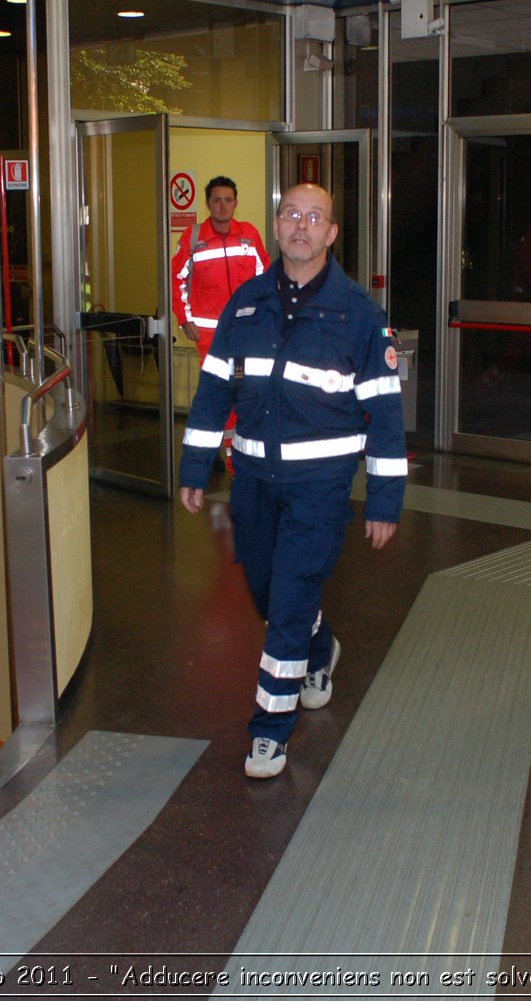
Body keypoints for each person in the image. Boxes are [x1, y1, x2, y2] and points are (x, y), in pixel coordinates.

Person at [178, 183, 406, 779]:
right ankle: (319, 643)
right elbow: (212, 393)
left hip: (320, 488)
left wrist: (384, 499)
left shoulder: (360, 314)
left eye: (314, 218)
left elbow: (384, 414)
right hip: (253, 479)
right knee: (266, 587)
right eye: (290, 215)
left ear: (331, 233)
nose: (300, 226)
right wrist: (194, 466)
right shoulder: (246, 305)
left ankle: (270, 731)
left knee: (287, 599)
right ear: (276, 228)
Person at [170, 176, 270, 467]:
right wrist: (184, 318)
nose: (223, 205)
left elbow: (264, 280)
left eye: (228, 200)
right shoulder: (193, 237)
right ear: (208, 204)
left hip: (243, 336)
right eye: (217, 200)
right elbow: (177, 280)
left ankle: (241, 455)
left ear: (236, 203)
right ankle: (230, 460)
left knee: (242, 390)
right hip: (210, 339)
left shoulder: (248, 235)